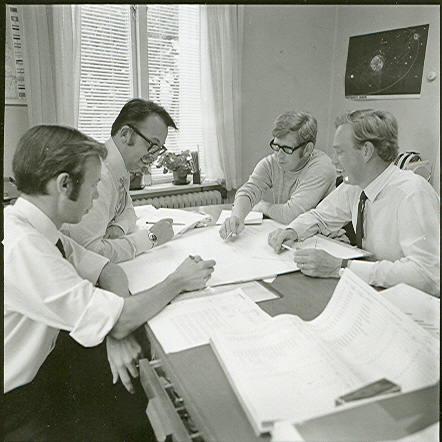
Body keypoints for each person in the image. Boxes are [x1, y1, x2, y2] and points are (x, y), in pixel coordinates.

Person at [4, 125, 216, 441]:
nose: (95, 194)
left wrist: (114, 327)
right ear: (64, 185)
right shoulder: (24, 246)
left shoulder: (39, 228)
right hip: (16, 405)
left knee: (130, 374)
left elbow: (107, 270)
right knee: (132, 399)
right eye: (93, 185)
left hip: (45, 368)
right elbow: (118, 319)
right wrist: (177, 281)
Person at [268, 109, 440, 296]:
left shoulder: (413, 192)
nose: (334, 160)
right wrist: (292, 231)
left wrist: (342, 266)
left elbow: (428, 275)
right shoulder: (356, 186)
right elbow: (320, 216)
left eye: (340, 152)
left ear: (366, 151)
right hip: (373, 291)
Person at [62, 98, 178, 263]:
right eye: (152, 144)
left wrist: (118, 227)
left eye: (159, 149)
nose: (153, 156)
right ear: (125, 134)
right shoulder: (98, 175)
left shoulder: (120, 168)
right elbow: (91, 253)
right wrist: (151, 238)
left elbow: (129, 212)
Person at [219, 110, 336, 240]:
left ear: (308, 149)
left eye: (287, 149)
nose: (279, 155)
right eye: (276, 146)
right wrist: (237, 216)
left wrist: (263, 206)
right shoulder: (274, 161)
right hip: (292, 235)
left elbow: (291, 214)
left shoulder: (322, 168)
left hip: (326, 240)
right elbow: (249, 190)